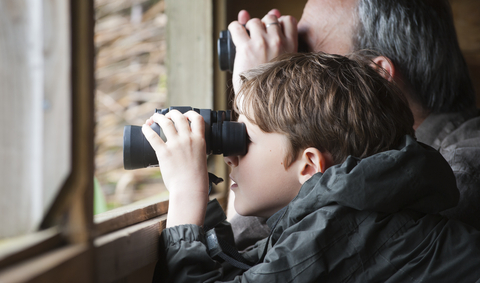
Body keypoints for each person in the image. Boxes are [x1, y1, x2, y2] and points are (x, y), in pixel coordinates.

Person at [144, 53, 480, 282]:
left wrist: (186, 193)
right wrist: (198, 193)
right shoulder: (357, 213)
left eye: (244, 141)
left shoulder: (341, 229)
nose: (229, 156)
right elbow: (244, 270)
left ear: (309, 166)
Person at [228, 0, 480, 240]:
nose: (294, 69)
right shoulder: (370, 163)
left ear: (378, 78)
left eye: (311, 53)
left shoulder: (461, 171)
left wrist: (259, 99)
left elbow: (244, 251)